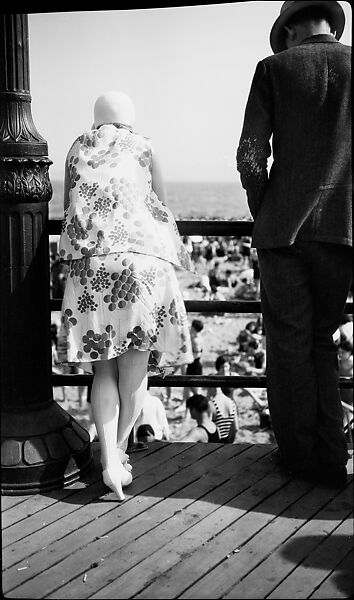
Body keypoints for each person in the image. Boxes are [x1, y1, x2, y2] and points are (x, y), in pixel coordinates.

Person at [236, 1, 352, 488]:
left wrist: (264, 209)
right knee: (323, 340)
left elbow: (249, 157)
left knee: (288, 344)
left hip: (284, 230)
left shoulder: (273, 69)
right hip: (343, 229)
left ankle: (299, 454)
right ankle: (332, 455)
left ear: (287, 29)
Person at [59, 91, 193, 500]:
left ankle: (109, 461)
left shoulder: (77, 146)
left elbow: (69, 206)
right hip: (141, 262)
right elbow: (163, 207)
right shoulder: (145, 145)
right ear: (130, 119)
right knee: (135, 371)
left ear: (96, 119)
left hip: (92, 266)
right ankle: (117, 454)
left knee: (104, 371)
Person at [184, 318, 204, 399]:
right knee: (191, 387)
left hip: (194, 366)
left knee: (194, 389)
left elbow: (196, 354)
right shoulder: (199, 337)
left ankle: (202, 401)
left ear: (194, 328)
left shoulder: (195, 340)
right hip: (195, 364)